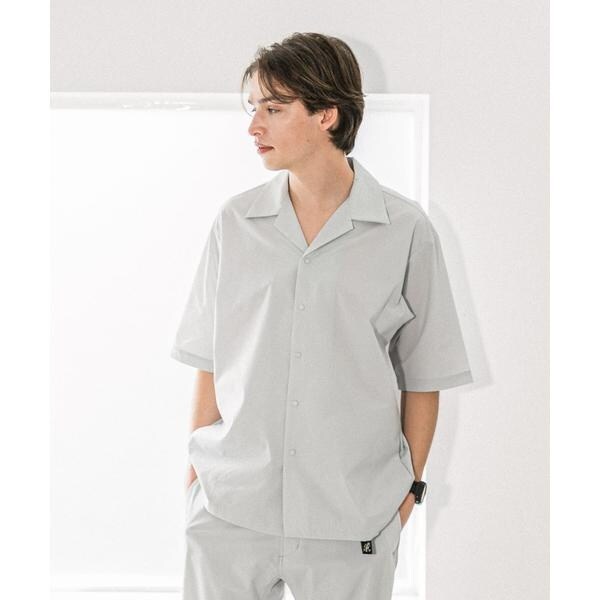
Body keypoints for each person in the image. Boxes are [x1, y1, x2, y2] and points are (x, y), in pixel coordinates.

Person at [171, 32, 473, 600]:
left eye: (274, 109)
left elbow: (425, 376)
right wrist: (195, 483)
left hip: (352, 521)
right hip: (230, 515)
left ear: (326, 115)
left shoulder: (405, 231)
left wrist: (407, 495)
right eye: (253, 108)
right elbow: (209, 360)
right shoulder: (235, 223)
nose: (253, 126)